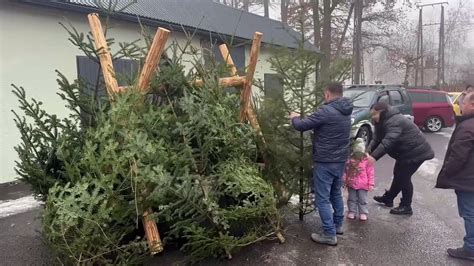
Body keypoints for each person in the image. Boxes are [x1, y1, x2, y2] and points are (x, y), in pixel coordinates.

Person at [290, 83, 353, 246]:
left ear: (327, 94)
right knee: (335, 193)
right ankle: (337, 226)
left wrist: (294, 117)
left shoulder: (326, 111)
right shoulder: (346, 110)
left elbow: (301, 126)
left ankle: (329, 234)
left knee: (322, 198)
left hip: (325, 161)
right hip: (340, 161)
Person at [367, 102, 434, 215]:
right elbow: (376, 139)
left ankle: (406, 206)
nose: (373, 117)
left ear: (382, 112)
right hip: (405, 153)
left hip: (416, 153)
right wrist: (368, 151)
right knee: (398, 174)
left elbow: (388, 141)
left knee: (403, 178)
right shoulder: (382, 121)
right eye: (371, 115)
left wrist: (374, 157)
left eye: (374, 114)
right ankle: (388, 199)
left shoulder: (395, 121)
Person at [436, 92, 474, 261]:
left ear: (472, 105)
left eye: (462, 103)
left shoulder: (467, 127)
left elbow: (458, 156)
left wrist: (446, 174)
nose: (460, 106)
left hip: (468, 181)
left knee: (470, 213)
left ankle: (471, 248)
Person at [344, 138, 375, 221]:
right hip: (351, 183)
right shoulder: (350, 160)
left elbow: (370, 173)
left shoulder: (367, 161)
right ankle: (352, 211)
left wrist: (371, 184)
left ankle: (363, 212)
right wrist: (344, 180)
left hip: (363, 185)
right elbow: (346, 171)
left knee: (362, 199)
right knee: (351, 199)